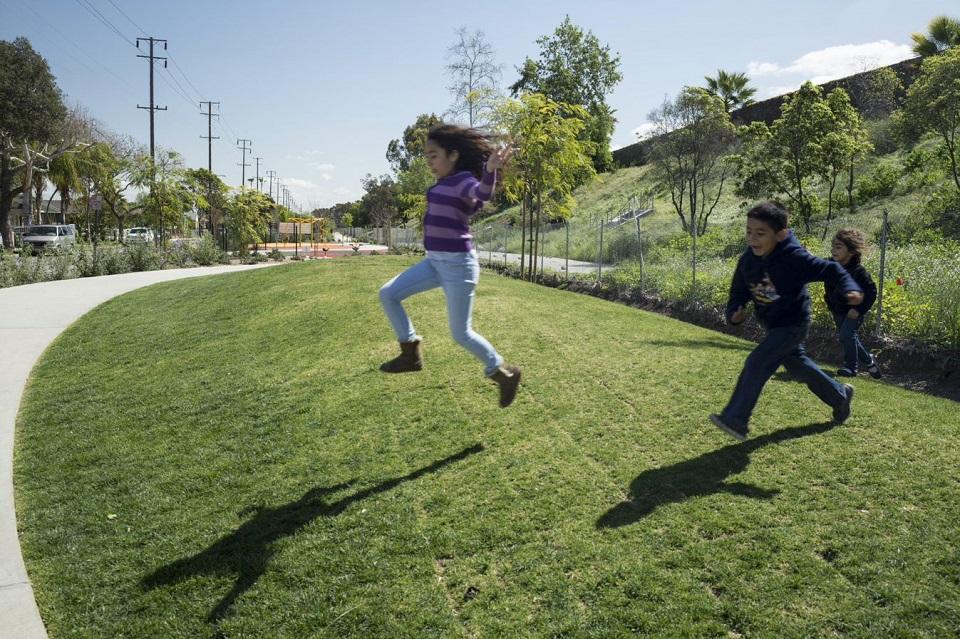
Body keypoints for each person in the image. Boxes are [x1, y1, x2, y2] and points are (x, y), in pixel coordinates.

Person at [378, 124, 521, 407]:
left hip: (458, 267)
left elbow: (482, 193)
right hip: (434, 263)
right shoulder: (440, 186)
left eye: (433, 156)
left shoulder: (465, 181)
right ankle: (410, 353)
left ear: (453, 155)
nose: (429, 162)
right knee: (388, 294)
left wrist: (490, 170)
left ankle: (503, 373)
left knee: (460, 333)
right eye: (427, 157)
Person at [710, 201, 864, 441]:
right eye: (749, 231)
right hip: (773, 325)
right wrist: (735, 312)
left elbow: (832, 270)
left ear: (780, 234)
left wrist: (850, 288)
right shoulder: (748, 261)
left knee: (757, 361)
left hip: (793, 323)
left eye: (761, 233)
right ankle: (840, 397)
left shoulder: (794, 258)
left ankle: (736, 419)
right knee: (799, 366)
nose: (753, 239)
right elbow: (738, 291)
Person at [824, 228, 882, 378]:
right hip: (837, 309)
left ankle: (851, 367)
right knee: (849, 337)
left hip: (853, 312)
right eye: (833, 246)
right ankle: (869, 361)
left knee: (846, 335)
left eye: (838, 247)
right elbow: (815, 264)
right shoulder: (830, 265)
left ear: (850, 252)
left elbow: (871, 292)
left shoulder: (859, 271)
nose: (833, 250)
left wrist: (859, 309)